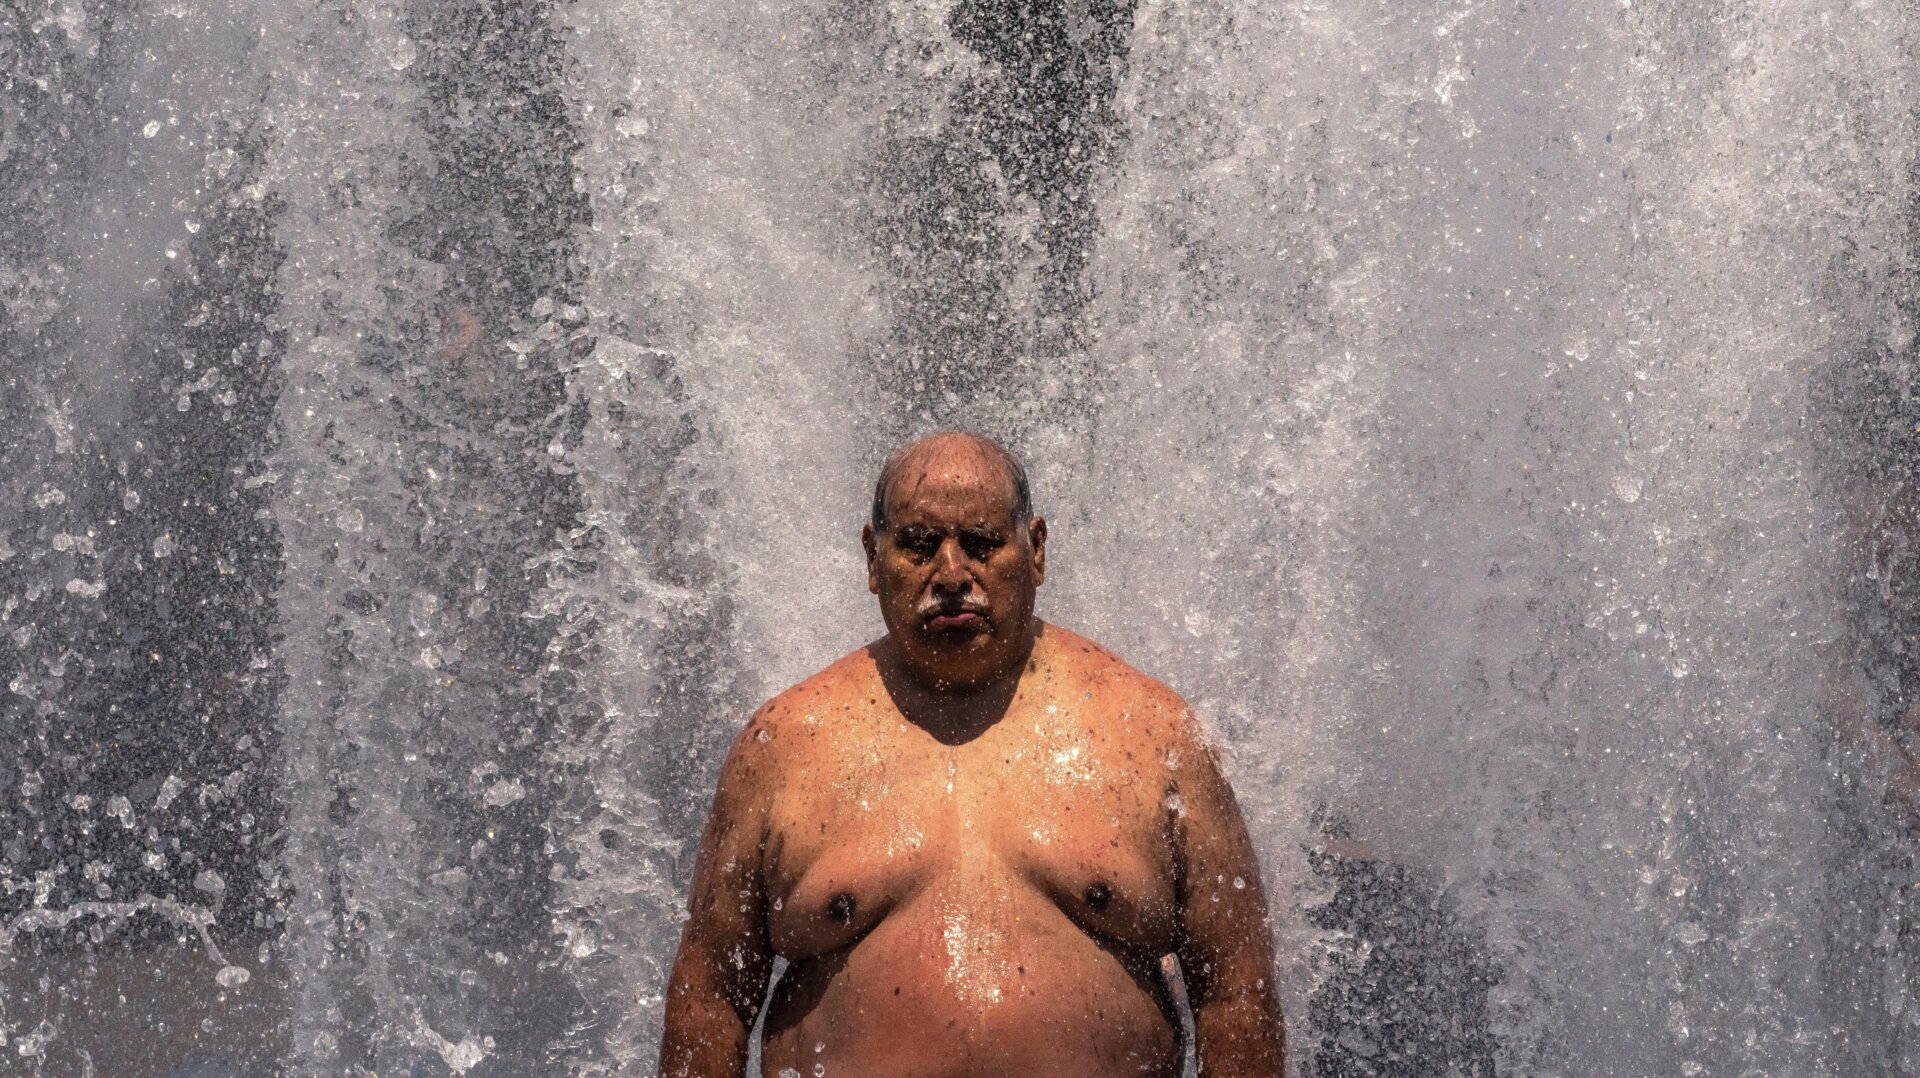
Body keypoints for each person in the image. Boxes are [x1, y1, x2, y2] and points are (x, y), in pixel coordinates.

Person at [658, 432, 1286, 1077]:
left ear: (1036, 551)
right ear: (873, 557)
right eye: (919, 545)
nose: (953, 575)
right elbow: (711, 1000)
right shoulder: (784, 746)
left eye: (983, 544)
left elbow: (1236, 998)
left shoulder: (1154, 735)